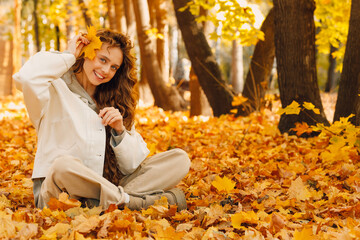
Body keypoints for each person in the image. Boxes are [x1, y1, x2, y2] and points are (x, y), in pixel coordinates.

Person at [13, 29, 191, 211]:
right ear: (86, 53)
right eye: (102, 60)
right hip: (60, 191)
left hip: (105, 186)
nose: (106, 70)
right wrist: (69, 55)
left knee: (179, 159)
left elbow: (131, 166)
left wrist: (119, 131)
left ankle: (102, 203)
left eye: (114, 67)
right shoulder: (52, 87)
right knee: (62, 165)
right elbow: (27, 78)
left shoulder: (116, 101)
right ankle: (132, 202)